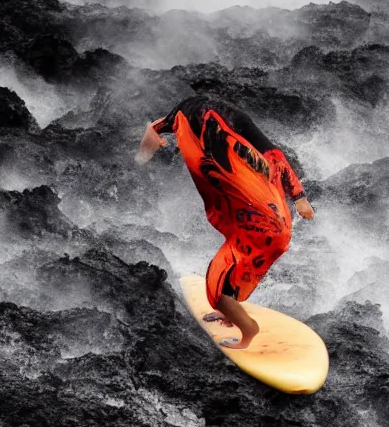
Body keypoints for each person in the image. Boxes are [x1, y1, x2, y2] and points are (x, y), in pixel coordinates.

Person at [135, 95, 315, 348]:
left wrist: (141, 158)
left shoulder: (199, 119)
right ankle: (230, 313)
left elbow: (154, 129)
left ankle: (248, 330)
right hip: (274, 227)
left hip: (261, 226)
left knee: (217, 289)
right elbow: (274, 156)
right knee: (237, 272)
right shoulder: (226, 131)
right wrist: (298, 198)